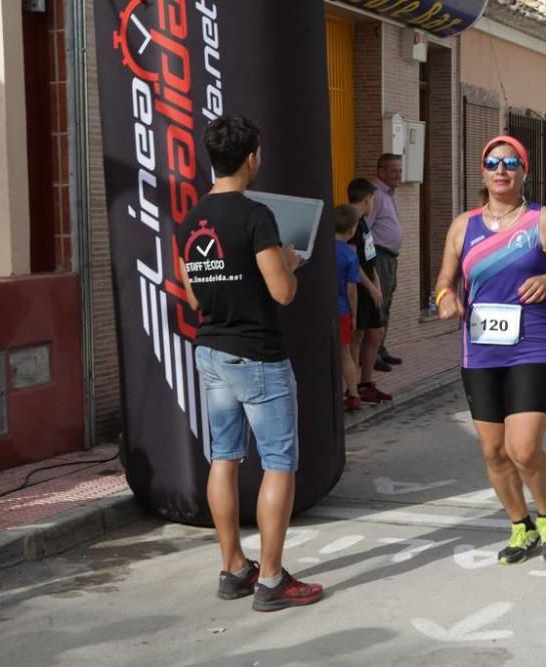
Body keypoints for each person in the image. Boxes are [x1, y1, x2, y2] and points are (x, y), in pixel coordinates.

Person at [176, 114, 323, 611]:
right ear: (251, 157)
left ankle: (235, 568)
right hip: (257, 355)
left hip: (211, 351)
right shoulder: (256, 216)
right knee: (279, 464)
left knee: (225, 457)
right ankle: (273, 580)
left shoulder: (190, 220)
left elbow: (195, 297)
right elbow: (282, 292)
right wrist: (292, 263)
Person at [434, 135, 546, 566]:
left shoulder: (543, 221)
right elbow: (444, 281)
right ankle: (522, 528)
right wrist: (446, 299)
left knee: (522, 449)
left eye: (510, 163)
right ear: (482, 171)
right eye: (493, 162)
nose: (501, 170)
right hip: (480, 350)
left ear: (524, 171)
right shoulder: (463, 226)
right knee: (493, 452)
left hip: (532, 346)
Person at [347, 178, 392, 404]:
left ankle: (366, 382)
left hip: (371, 285)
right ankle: (353, 387)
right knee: (357, 336)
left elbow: (369, 257)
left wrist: (377, 282)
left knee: (376, 332)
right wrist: (369, 285)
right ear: (367, 199)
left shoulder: (364, 222)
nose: (373, 203)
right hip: (360, 288)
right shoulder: (351, 222)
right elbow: (352, 261)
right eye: (373, 199)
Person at [366, 154, 405, 371]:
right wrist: (370, 263)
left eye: (399, 171)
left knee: (387, 304)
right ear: (381, 171)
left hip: (390, 257)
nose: (398, 175)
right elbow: (365, 229)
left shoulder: (388, 194)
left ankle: (381, 348)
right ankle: (372, 355)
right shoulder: (376, 194)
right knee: (379, 305)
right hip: (379, 257)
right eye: (393, 171)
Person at [334, 204, 362, 412]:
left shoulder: (321, 251)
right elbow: (351, 290)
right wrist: (354, 315)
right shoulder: (350, 255)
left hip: (322, 312)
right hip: (342, 310)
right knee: (344, 354)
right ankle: (353, 394)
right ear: (352, 230)